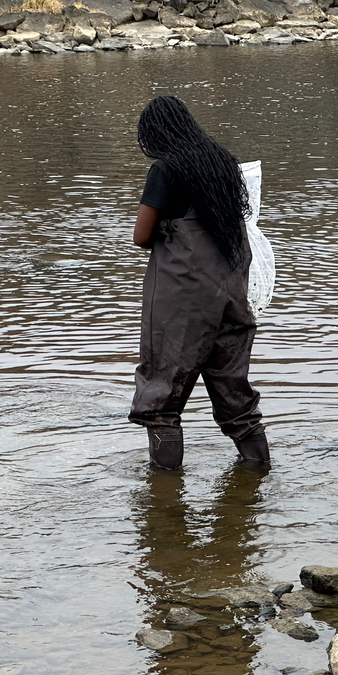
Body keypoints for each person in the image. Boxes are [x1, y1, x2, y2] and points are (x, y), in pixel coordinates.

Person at [129, 95, 269, 470]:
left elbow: (141, 236)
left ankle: (164, 495)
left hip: (183, 298)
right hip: (231, 291)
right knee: (234, 393)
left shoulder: (165, 169)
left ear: (155, 134)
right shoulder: (222, 163)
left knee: (161, 399)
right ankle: (258, 476)